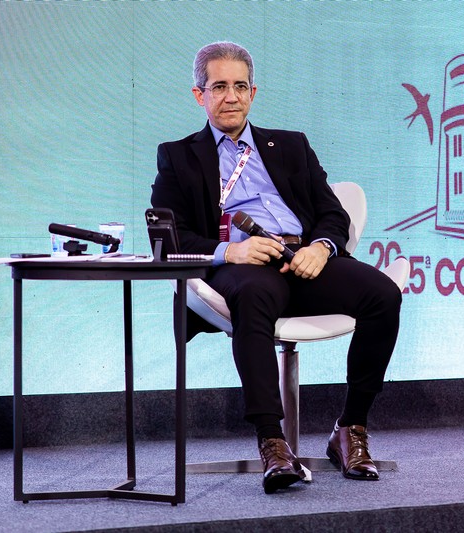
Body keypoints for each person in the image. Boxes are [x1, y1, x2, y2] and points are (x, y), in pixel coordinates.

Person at [151, 42, 402, 494]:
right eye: (219, 87)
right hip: (244, 265)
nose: (231, 97)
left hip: (302, 257)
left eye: (240, 86)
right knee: (253, 295)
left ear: (253, 92)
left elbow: (332, 213)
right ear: (199, 94)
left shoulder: (290, 145)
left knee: (382, 294)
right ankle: (273, 442)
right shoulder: (178, 155)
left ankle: (350, 429)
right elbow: (171, 236)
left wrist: (321, 247)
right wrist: (229, 252)